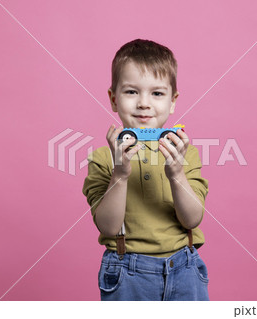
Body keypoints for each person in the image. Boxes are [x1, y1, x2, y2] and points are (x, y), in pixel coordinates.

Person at [82, 38, 210, 301]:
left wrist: (176, 174)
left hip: (184, 269)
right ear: (113, 99)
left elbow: (192, 220)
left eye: (157, 93)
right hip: (126, 273)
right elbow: (108, 226)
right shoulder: (104, 159)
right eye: (131, 92)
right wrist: (119, 174)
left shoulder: (185, 153)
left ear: (173, 101)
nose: (143, 103)